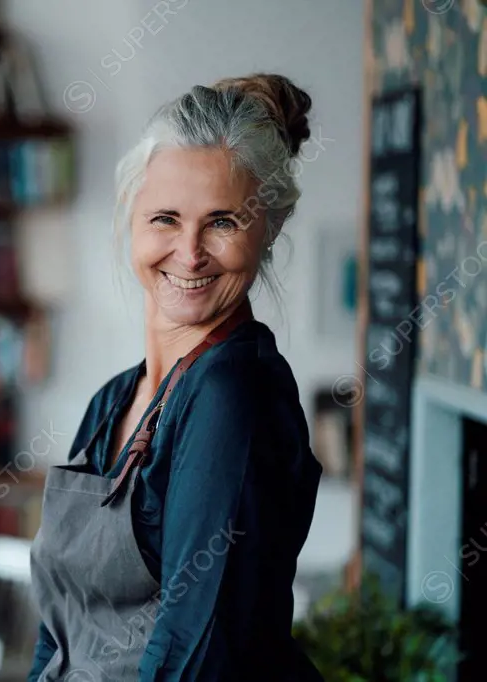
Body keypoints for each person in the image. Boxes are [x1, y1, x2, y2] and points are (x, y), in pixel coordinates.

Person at [27, 74, 326, 682]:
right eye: (166, 218)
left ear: (267, 229)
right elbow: (57, 628)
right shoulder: (113, 401)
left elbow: (198, 646)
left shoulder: (230, 395)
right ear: (130, 218)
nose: (190, 253)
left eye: (222, 222)